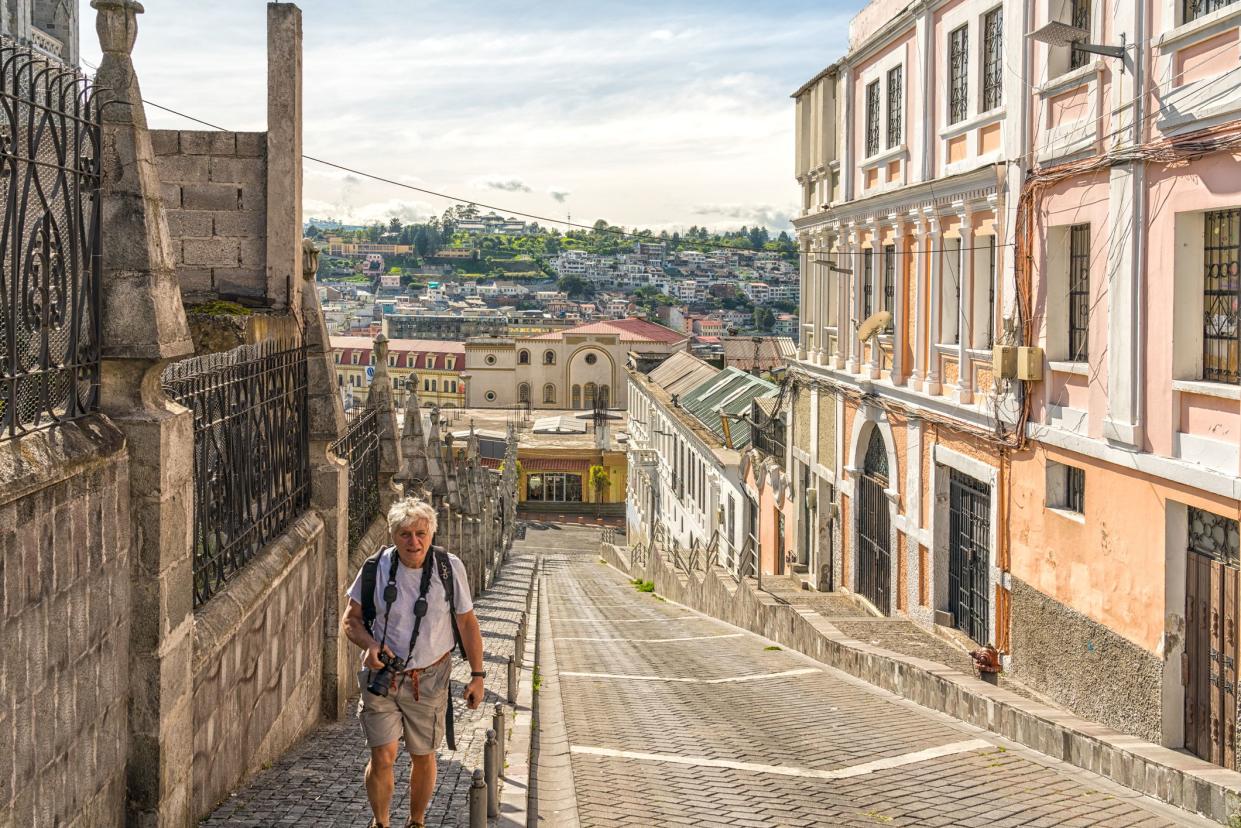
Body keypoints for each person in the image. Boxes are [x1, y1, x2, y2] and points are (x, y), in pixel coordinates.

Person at [342, 497, 486, 828]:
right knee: (383, 755)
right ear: (393, 534)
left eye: (421, 533)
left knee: (423, 756)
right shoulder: (374, 568)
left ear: (431, 533)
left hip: (430, 678)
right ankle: (381, 823)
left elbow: (466, 622)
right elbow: (351, 619)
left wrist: (477, 676)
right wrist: (369, 644)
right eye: (405, 534)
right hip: (383, 677)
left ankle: (416, 822)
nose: (414, 542)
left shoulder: (448, 568)